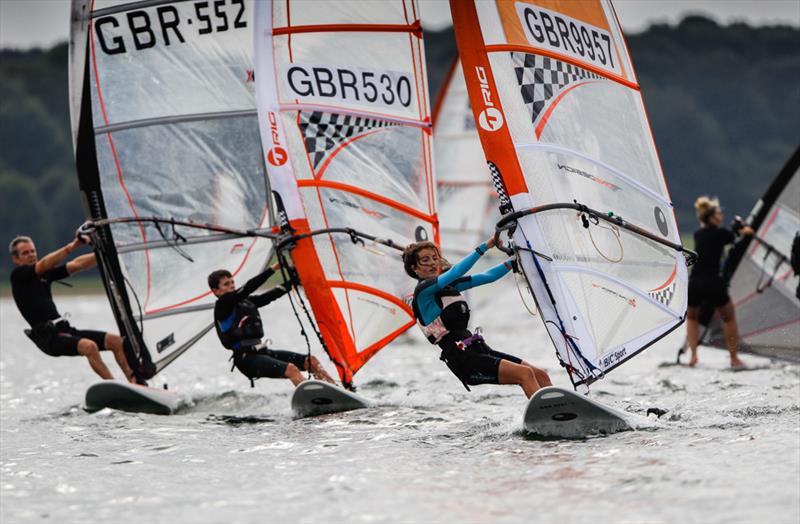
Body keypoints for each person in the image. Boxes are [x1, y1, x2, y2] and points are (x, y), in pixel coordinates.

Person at [403, 237, 552, 398]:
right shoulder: (423, 293)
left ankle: (565, 412)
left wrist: (513, 261)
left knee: (540, 374)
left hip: (479, 349)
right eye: (425, 260)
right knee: (525, 374)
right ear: (414, 268)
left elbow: (488, 276)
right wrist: (485, 246)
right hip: (463, 359)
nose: (433, 263)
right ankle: (549, 416)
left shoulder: (451, 286)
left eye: (434, 258)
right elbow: (456, 271)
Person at [9, 235, 139, 382]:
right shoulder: (18, 276)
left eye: (33, 251)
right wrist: (73, 246)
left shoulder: (44, 274)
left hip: (63, 330)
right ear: (16, 259)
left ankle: (134, 383)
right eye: (25, 253)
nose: (31, 255)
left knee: (116, 341)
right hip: (48, 337)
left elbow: (78, 264)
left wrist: (105, 253)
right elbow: (45, 263)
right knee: (89, 346)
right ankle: (114, 386)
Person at [208, 263, 336, 387]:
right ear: (216, 291)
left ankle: (337, 390)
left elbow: (267, 297)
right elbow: (248, 288)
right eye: (226, 284)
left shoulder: (245, 301)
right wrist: (273, 269)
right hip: (246, 359)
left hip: (262, 352)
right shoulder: (222, 305)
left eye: (232, 282)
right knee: (291, 369)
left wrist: (292, 282)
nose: (232, 286)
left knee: (310, 361)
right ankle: (313, 399)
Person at [686, 197, 753, 368]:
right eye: (718, 213)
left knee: (692, 318)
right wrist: (745, 230)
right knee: (728, 317)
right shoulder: (721, 234)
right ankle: (734, 359)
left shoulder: (697, 234)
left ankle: (693, 356)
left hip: (694, 283)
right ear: (712, 217)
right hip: (713, 283)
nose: (721, 215)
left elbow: (725, 236)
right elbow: (738, 235)